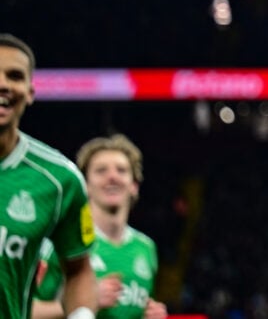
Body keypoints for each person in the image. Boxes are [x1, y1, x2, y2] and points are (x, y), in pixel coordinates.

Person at [0, 33, 98, 319]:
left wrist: (81, 316)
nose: (3, 84)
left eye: (15, 76)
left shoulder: (60, 180)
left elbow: (79, 269)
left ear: (30, 92)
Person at [33, 134, 167, 319]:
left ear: (134, 185)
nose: (112, 177)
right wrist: (83, 304)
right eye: (101, 171)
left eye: (121, 170)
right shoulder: (64, 243)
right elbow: (28, 310)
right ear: (86, 185)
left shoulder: (146, 247)